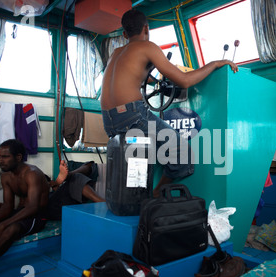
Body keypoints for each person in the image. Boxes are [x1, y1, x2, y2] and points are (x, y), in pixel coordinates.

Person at [101, 9, 239, 197]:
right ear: (146, 29)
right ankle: (157, 194)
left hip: (109, 121)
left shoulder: (116, 53)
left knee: (141, 157)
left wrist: (155, 81)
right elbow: (184, 81)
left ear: (124, 34)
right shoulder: (147, 46)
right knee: (183, 153)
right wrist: (214, 64)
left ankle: (136, 201)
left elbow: (135, 77)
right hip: (132, 115)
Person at [0, 139, 104, 277]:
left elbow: (33, 207)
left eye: (5, 157)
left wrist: (1, 226)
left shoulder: (32, 174)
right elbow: (7, 207)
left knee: (10, 229)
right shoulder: (6, 176)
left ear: (18, 157)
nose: (1, 161)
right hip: (20, 212)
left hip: (36, 215)